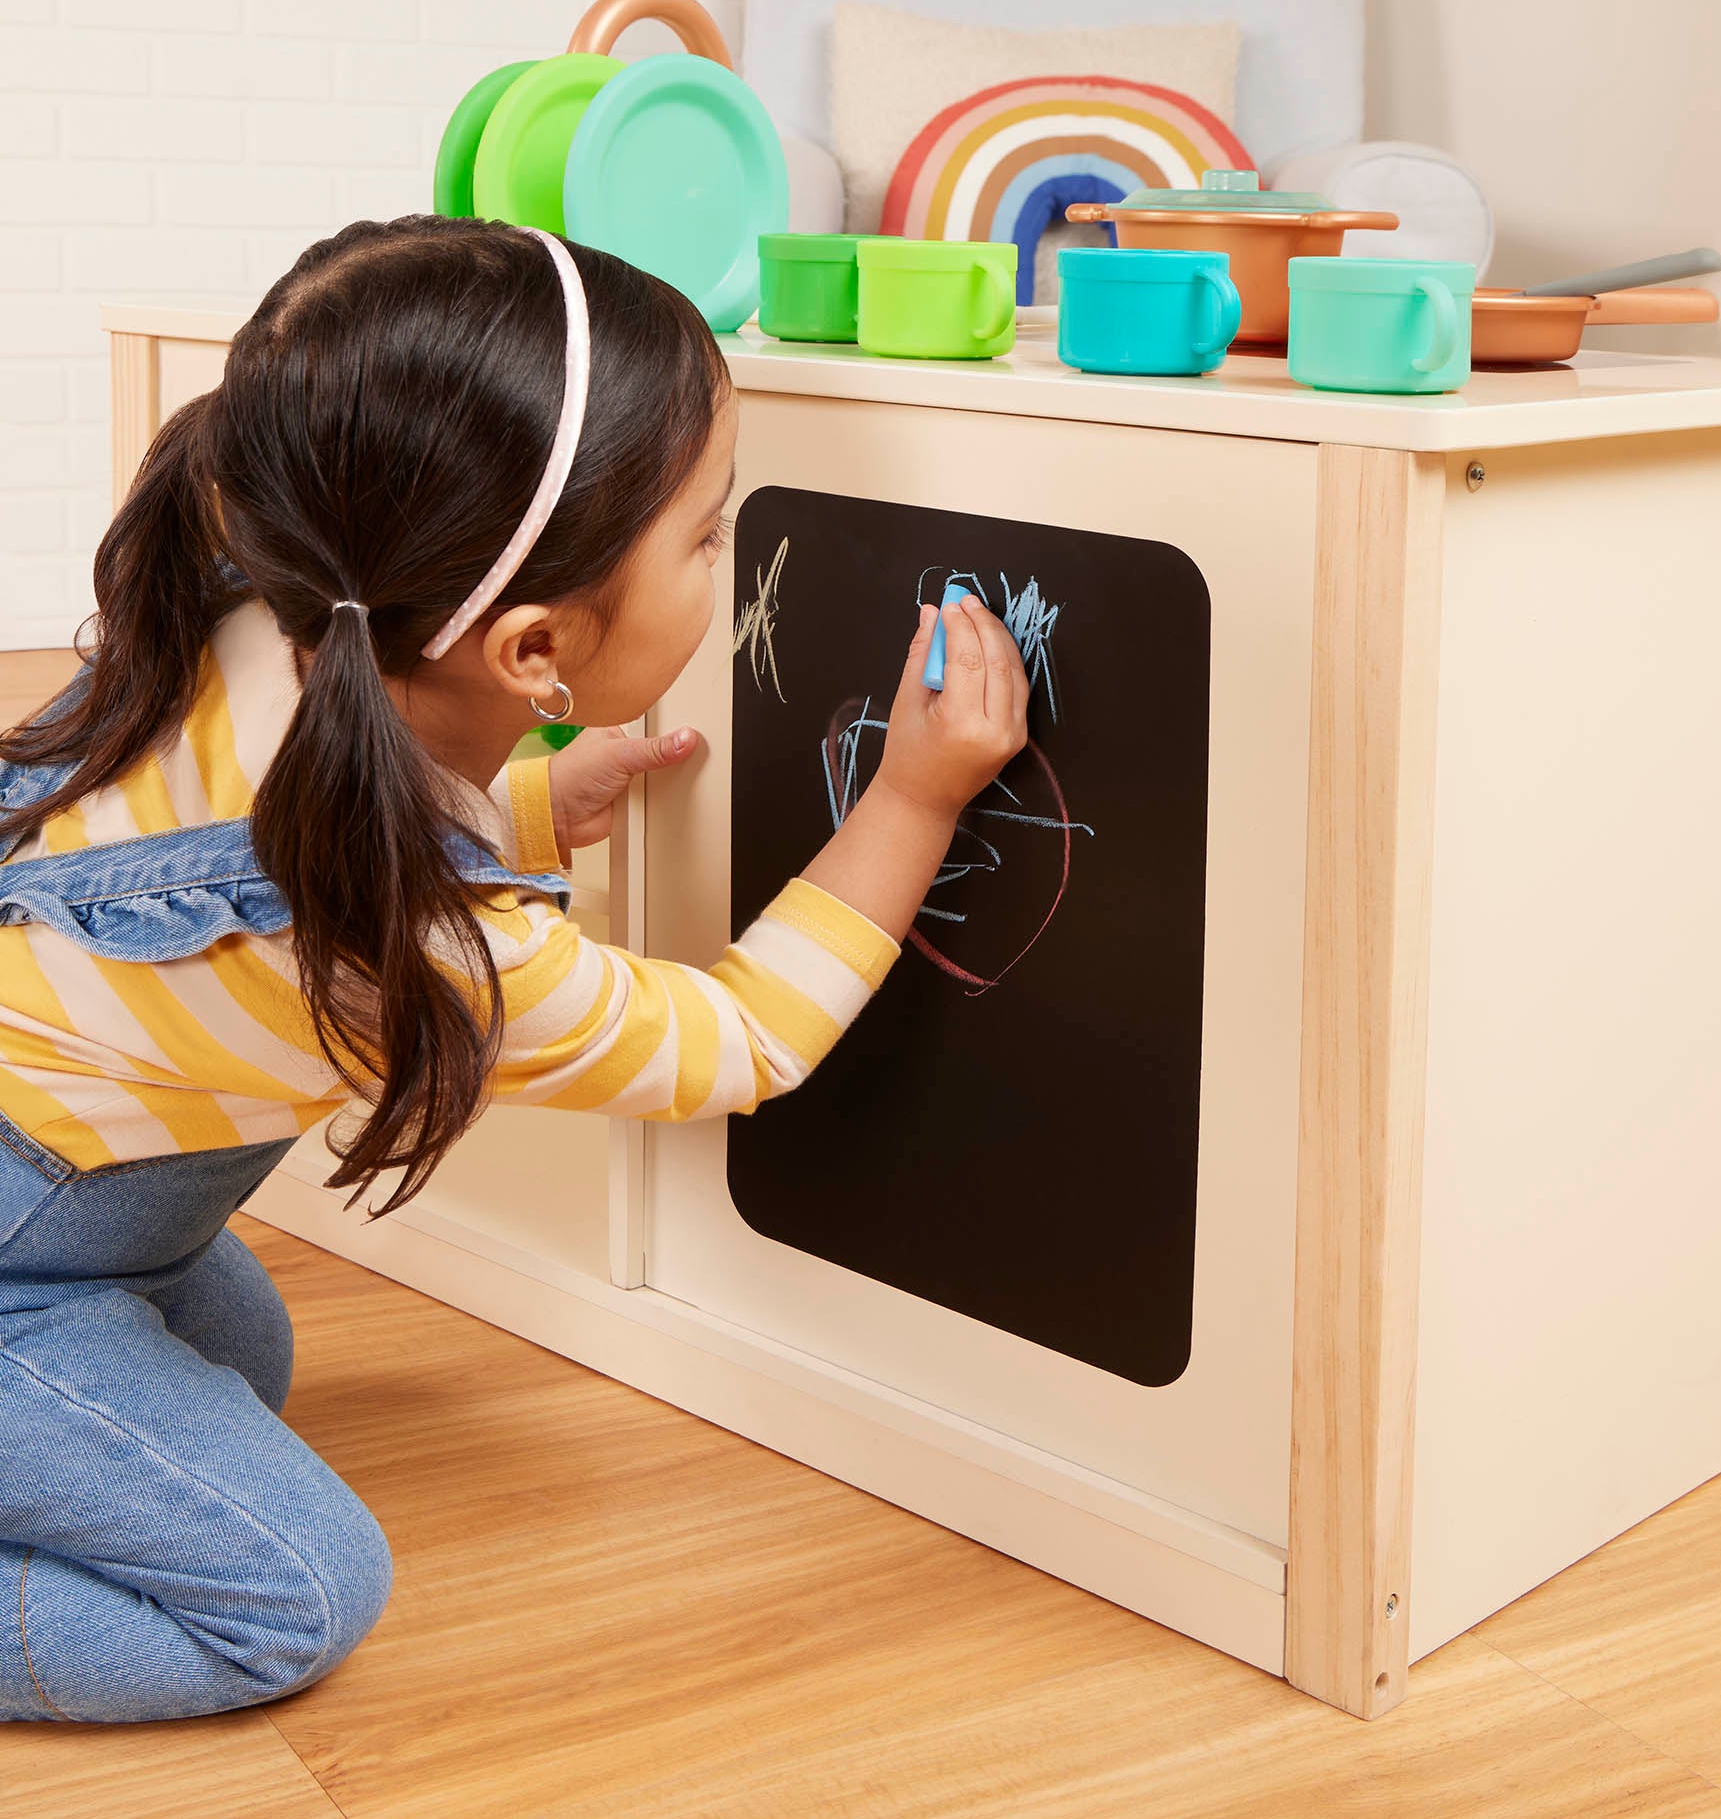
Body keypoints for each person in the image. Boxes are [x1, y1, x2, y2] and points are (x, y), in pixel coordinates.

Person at [0, 215, 1028, 1723]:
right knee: (289, 1596)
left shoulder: (252, 607)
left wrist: (534, 800)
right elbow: (735, 1042)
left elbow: (289, 869)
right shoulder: (431, 939)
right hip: (30, 1246)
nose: (726, 561)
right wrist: (916, 797)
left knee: (244, 1353)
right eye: (706, 534)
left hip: (73, 1217)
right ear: (536, 650)